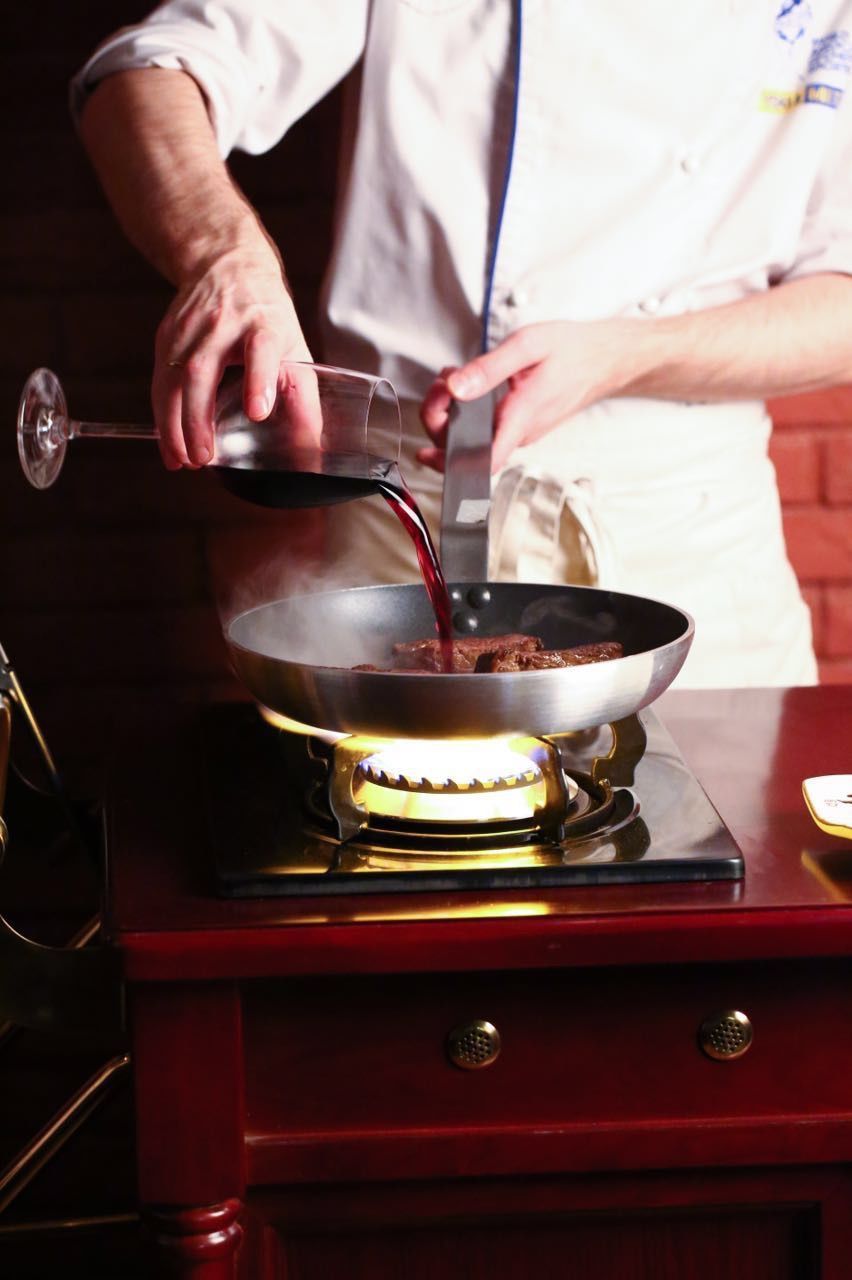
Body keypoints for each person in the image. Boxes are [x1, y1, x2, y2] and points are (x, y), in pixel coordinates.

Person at [71, 1, 852, 687]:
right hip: (406, 513)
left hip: (692, 541)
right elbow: (141, 75)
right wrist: (225, 256)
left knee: (730, 839)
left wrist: (626, 353)